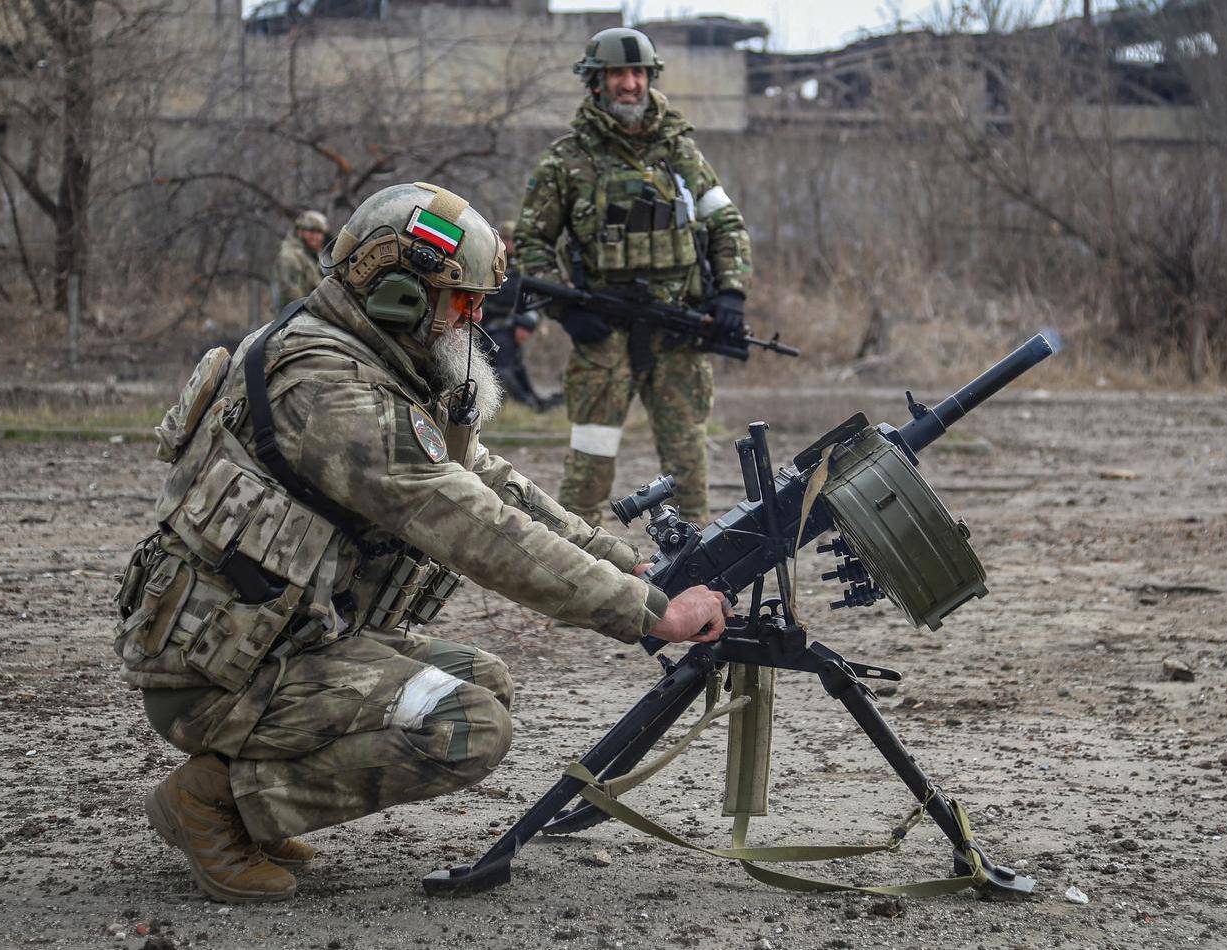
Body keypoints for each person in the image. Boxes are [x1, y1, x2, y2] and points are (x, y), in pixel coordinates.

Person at [115, 182, 733, 904]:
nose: (474, 317)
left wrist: (633, 565)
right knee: (466, 726)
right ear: (398, 294)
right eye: (461, 299)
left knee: (485, 679)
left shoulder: (374, 361)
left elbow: (489, 481)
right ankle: (215, 803)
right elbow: (475, 526)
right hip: (218, 675)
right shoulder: (328, 391)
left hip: (279, 641)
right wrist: (648, 612)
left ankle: (243, 796)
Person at [514, 27, 752, 526]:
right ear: (595, 82)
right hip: (604, 336)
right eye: (618, 73)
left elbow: (725, 222)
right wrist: (567, 310)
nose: (630, 83)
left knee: (688, 466)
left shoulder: (680, 152)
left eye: (638, 72)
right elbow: (529, 245)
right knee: (588, 471)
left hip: (677, 331)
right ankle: (573, 577)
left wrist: (731, 293)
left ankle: (700, 582)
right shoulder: (566, 160)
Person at [479, 223, 563, 412]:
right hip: (489, 326)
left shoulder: (526, 268)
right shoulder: (493, 262)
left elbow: (535, 300)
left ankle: (528, 404)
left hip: (512, 326)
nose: (508, 244)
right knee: (502, 364)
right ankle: (529, 402)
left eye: (511, 239)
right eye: (505, 239)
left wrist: (525, 325)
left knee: (506, 366)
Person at [270, 209, 328, 312]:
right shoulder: (289, 257)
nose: (316, 237)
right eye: (312, 231)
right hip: (296, 321)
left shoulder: (313, 255)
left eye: (319, 232)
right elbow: (291, 298)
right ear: (300, 232)